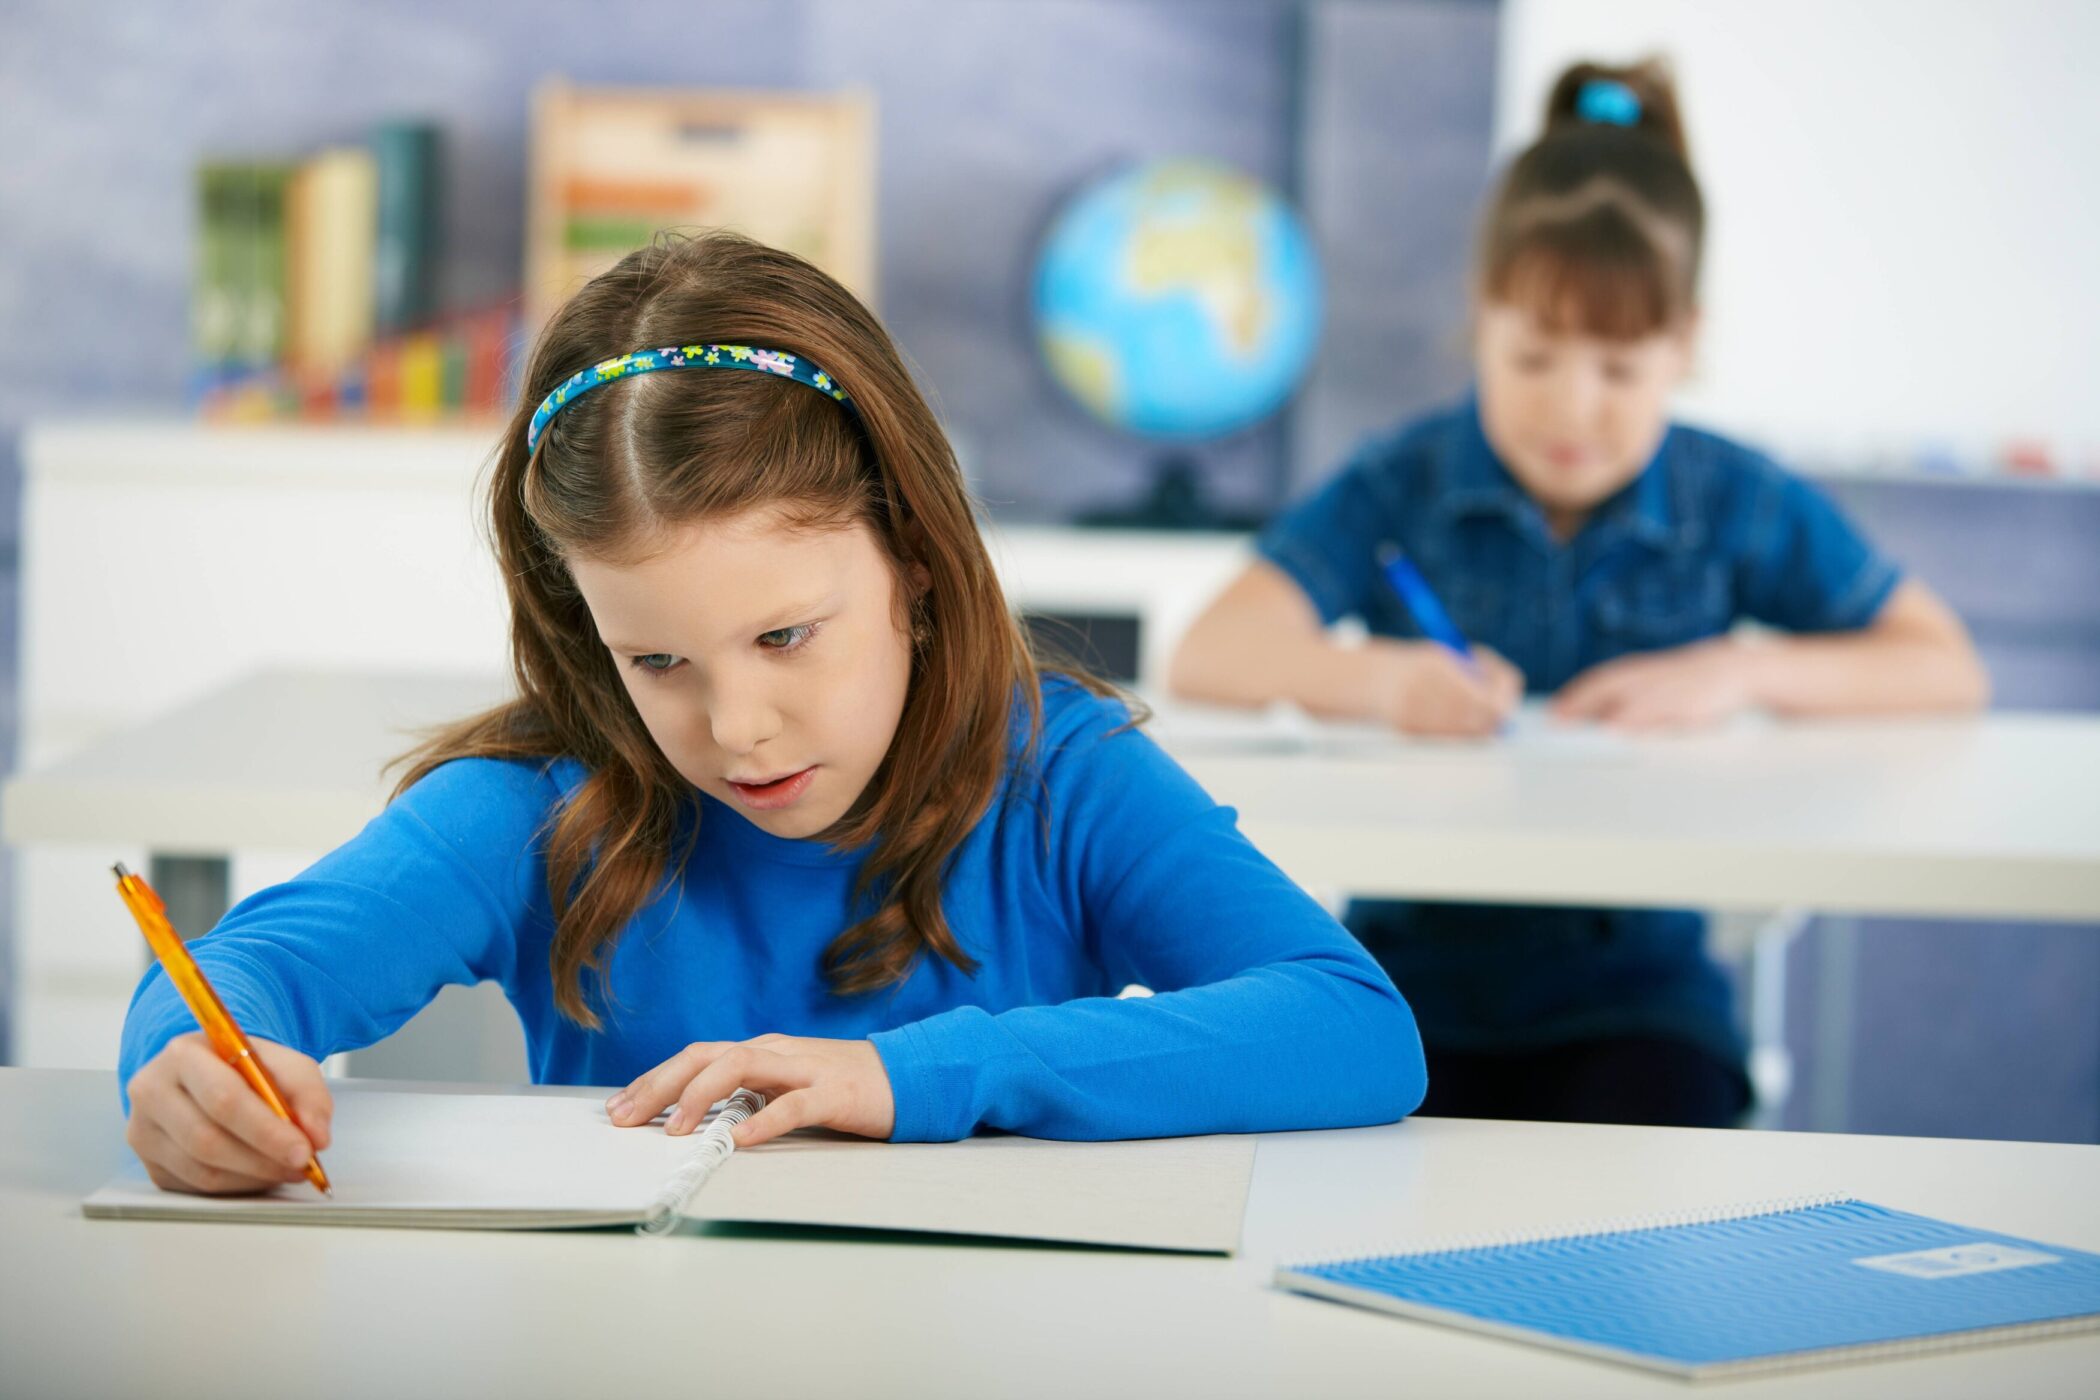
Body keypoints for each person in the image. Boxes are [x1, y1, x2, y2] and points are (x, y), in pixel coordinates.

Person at [117, 232, 1426, 1196]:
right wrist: (191, 1070)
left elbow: (1354, 1025)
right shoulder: (535, 808)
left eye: (785, 636)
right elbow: (238, 979)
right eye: (657, 661)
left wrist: (914, 1074)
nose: (736, 726)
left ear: (914, 557)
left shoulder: (1061, 779)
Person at [1169, 60, 1987, 1128]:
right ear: (1482, 319)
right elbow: (1209, 652)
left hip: (1639, 995)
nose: (1571, 406)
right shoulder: (1402, 481)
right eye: (1534, 356)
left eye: (1618, 369)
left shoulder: (1732, 498)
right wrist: (1381, 683)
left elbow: (1942, 663)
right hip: (1410, 987)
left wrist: (1736, 671)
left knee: (1646, 1172)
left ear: (1683, 345)